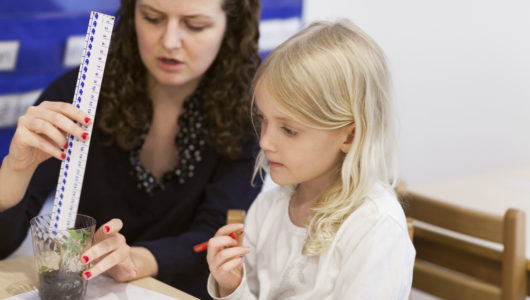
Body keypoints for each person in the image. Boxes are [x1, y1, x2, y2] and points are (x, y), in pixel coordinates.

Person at [0, 0, 262, 298]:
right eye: (152, 18)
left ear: (232, 27)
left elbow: (216, 235)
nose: (169, 41)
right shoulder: (81, 93)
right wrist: (15, 169)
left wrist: (133, 259)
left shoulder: (250, 114)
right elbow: (3, 246)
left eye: (194, 25)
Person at [206, 20, 416, 299]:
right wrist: (232, 286)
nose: (264, 142)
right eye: (263, 120)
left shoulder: (375, 226)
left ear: (350, 136)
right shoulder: (268, 209)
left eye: (289, 130)